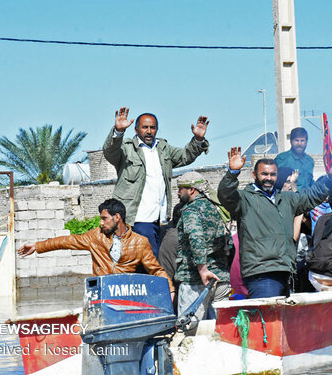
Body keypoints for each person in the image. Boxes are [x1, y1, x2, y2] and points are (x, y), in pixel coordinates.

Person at [218, 147, 332, 298]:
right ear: (254, 175)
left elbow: (311, 196)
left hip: (283, 270)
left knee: (278, 320)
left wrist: (328, 179)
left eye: (272, 174)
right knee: (268, 319)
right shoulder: (245, 199)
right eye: (264, 174)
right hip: (262, 272)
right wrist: (232, 173)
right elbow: (225, 195)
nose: (268, 178)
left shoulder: (286, 199)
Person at [103, 107, 210, 257]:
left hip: (160, 220)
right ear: (136, 130)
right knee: (147, 262)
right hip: (139, 218)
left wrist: (198, 139)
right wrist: (118, 132)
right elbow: (110, 152)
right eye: (145, 127)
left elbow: (185, 156)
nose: (148, 131)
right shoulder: (127, 149)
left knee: (160, 261)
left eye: (152, 128)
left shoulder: (163, 148)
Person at [17, 198, 175, 299]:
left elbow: (155, 270)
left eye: (104, 218)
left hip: (124, 295)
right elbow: (67, 241)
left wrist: (171, 290)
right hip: (100, 293)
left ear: (117, 217)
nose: (101, 223)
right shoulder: (96, 236)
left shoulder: (140, 242)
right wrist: (37, 246)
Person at [174, 171, 231, 325]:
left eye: (181, 188)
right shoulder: (217, 209)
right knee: (220, 333)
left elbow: (196, 237)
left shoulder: (191, 210)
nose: (178, 193)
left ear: (192, 190)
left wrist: (203, 269)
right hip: (221, 279)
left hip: (196, 281)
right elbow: (229, 242)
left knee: (190, 334)